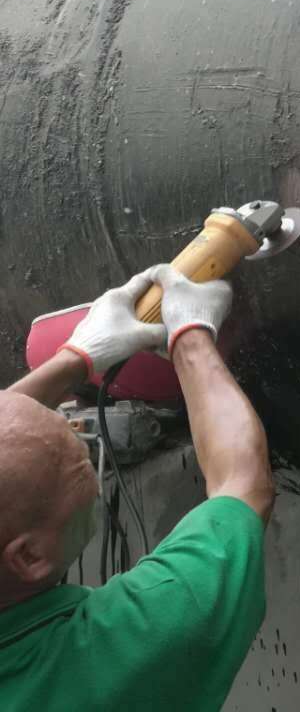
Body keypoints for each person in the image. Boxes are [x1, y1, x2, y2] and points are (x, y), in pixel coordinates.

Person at [0, 265, 273, 711]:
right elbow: (242, 487)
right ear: (29, 556)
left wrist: (76, 358)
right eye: (81, 467)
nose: (85, 453)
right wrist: (190, 335)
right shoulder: (117, 653)